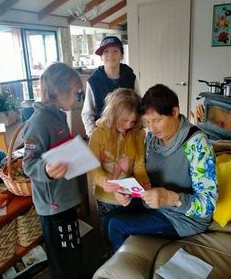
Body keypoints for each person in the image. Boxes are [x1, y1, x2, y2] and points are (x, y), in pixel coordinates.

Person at [107, 84, 218, 253]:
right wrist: (126, 190)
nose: (151, 128)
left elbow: (208, 204)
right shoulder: (152, 138)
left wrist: (169, 197)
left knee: (117, 226)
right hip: (154, 203)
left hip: (183, 218)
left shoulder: (197, 145)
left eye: (157, 120)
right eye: (147, 122)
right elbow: (142, 172)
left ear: (174, 112)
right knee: (107, 218)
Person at [23, 62, 85, 279]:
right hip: (53, 205)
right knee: (61, 255)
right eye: (75, 93)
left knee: (72, 244)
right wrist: (47, 170)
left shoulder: (59, 113)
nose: (77, 98)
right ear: (58, 92)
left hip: (65, 196)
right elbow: (28, 164)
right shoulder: (38, 122)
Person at [87, 88, 151, 234]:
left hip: (129, 193)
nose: (128, 125)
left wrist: (144, 181)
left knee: (124, 229)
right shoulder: (98, 134)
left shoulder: (137, 135)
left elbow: (139, 166)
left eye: (133, 121)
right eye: (124, 120)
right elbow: (92, 167)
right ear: (112, 114)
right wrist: (104, 182)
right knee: (107, 226)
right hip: (105, 196)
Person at [81, 36, 140, 137]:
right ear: (101, 56)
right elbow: (87, 113)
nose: (110, 55)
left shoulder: (131, 77)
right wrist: (93, 134)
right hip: (104, 134)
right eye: (106, 52)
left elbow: (139, 105)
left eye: (115, 51)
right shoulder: (93, 81)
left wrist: (137, 129)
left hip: (128, 133)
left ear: (122, 55)